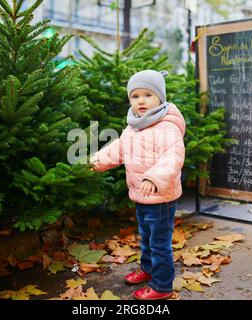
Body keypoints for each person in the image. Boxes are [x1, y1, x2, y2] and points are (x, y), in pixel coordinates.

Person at [89, 70, 186, 300]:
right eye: (135, 96)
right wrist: (93, 163)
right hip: (140, 196)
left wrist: (154, 178)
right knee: (145, 236)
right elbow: (117, 150)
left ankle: (162, 287)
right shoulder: (133, 127)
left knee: (159, 243)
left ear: (160, 98)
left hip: (161, 197)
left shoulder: (167, 126)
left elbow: (173, 157)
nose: (141, 101)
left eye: (148, 95)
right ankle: (148, 269)